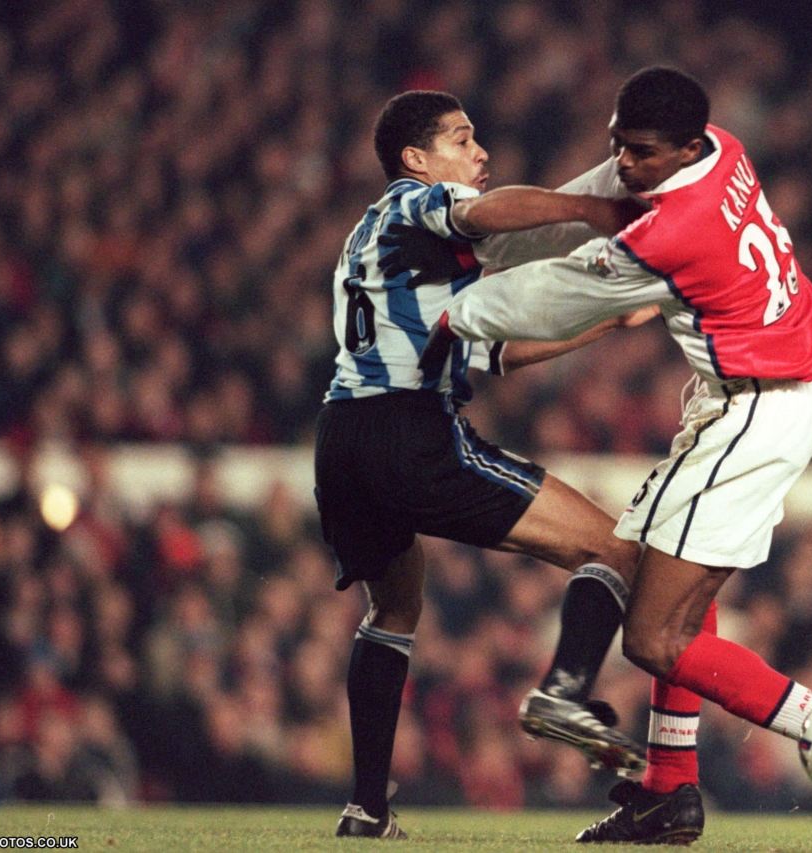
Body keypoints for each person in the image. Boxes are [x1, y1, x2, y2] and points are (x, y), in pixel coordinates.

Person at [419, 66, 812, 848]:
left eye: (643, 152)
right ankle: (669, 794)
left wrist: (446, 312)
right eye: (619, 142)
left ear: (684, 145)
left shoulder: (673, 228)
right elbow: (591, 202)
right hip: (764, 386)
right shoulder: (717, 149)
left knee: (655, 636)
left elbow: (558, 294)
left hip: (760, 406)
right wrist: (480, 244)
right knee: (665, 578)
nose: (626, 162)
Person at [315, 89, 657, 839]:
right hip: (408, 429)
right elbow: (481, 210)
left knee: (394, 610)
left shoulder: (384, 247)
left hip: (341, 438)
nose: (481, 155)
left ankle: (366, 807)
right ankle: (565, 692)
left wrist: (599, 322)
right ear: (415, 158)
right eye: (463, 139)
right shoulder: (412, 204)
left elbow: (491, 351)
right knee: (618, 548)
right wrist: (594, 212)